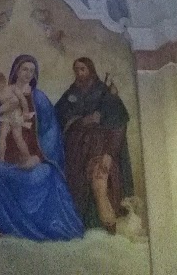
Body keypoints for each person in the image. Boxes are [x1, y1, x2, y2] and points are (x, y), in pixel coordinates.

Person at [0, 54, 84, 241]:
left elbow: (50, 131)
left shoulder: (39, 98)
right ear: (16, 71)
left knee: (46, 175)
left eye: (32, 71)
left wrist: (39, 157)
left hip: (34, 156)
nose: (28, 74)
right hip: (7, 157)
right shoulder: (5, 92)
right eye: (24, 69)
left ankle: (43, 229)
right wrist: (0, 110)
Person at [55, 57, 134, 232]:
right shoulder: (71, 93)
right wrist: (80, 120)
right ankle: (81, 223)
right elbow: (58, 115)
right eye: (76, 70)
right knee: (78, 182)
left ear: (90, 70)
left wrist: (102, 118)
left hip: (100, 144)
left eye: (82, 69)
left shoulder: (104, 91)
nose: (79, 73)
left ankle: (106, 222)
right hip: (76, 147)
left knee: (99, 178)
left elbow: (118, 118)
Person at [0, 71, 38, 168]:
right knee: (1, 138)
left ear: (2, 80)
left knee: (18, 137)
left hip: (16, 115)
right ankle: (1, 160)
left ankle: (27, 157)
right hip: (6, 117)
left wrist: (25, 112)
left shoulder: (12, 88)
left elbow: (22, 99)